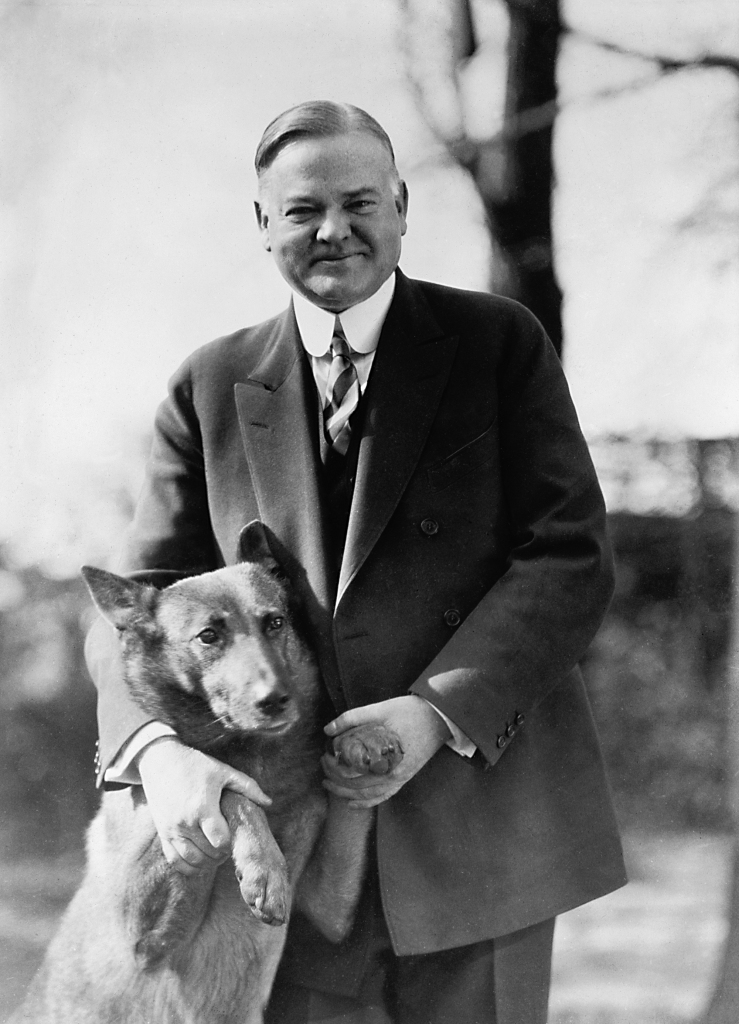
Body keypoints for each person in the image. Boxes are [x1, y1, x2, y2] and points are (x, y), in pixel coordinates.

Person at [86, 101, 626, 1024]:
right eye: (301, 211)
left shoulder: (499, 345)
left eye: (359, 201)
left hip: (476, 835)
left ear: (403, 207)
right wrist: (154, 750)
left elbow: (568, 558)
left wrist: (434, 712)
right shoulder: (208, 384)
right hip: (284, 854)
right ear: (263, 227)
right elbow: (135, 613)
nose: (333, 229)